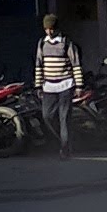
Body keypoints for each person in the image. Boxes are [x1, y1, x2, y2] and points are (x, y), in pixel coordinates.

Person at [34, 16, 80, 150]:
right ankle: (62, 140)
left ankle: (65, 148)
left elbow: (76, 64)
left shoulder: (66, 43)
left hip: (65, 85)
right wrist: (38, 85)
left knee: (64, 118)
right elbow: (39, 65)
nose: (49, 32)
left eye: (51, 29)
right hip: (48, 87)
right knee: (47, 116)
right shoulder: (42, 43)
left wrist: (78, 86)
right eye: (46, 29)